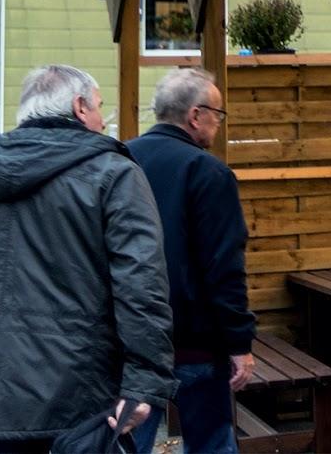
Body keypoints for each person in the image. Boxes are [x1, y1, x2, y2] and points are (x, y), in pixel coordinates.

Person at [0, 65, 176, 454]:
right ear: (79, 107)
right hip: (84, 392)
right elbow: (140, 285)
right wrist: (143, 385)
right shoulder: (115, 175)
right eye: (99, 107)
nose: (102, 120)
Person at [128, 68, 256, 454]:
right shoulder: (208, 172)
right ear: (196, 115)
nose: (219, 123)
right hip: (195, 342)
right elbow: (223, 267)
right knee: (210, 445)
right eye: (218, 113)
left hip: (131, 341)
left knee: (126, 443)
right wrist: (239, 343)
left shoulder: (119, 161)